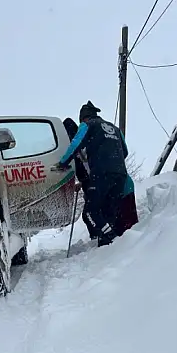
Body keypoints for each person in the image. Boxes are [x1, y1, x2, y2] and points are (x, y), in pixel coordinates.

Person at [55, 101, 129, 247]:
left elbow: (75, 144)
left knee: (91, 212)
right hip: (120, 173)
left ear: (83, 118)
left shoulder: (88, 125)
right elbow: (124, 151)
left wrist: (63, 163)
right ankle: (108, 246)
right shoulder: (114, 128)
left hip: (101, 173)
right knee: (109, 211)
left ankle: (110, 236)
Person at [63, 117, 103, 240]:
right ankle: (98, 237)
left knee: (89, 214)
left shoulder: (80, 147)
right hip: (89, 183)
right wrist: (81, 182)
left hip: (94, 183)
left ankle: (101, 237)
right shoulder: (78, 148)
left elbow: (88, 167)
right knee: (91, 214)